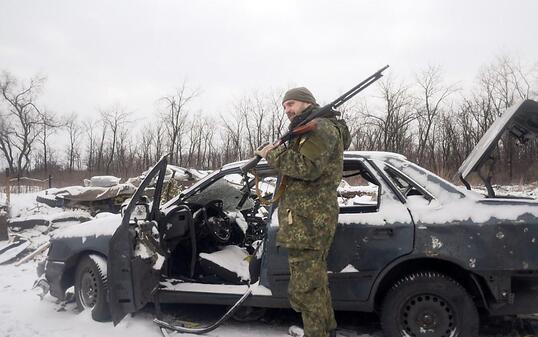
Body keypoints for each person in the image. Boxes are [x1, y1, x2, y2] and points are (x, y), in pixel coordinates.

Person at [256, 87, 351, 337]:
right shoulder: (309, 128)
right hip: (306, 217)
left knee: (306, 287)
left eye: (292, 104)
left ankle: (316, 333)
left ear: (307, 103)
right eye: (285, 106)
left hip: (309, 220)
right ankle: (321, 329)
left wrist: (272, 154)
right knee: (314, 282)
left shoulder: (320, 127)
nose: (288, 110)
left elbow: (307, 167)